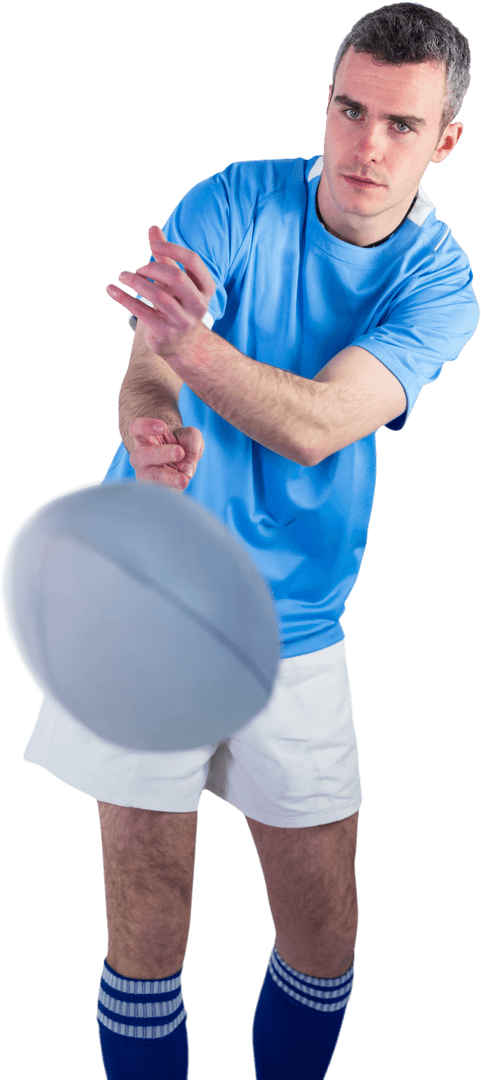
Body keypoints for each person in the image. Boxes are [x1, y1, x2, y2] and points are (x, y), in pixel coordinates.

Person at [22, 4, 479, 1079]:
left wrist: (191, 348)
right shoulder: (231, 197)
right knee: (147, 910)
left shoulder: (440, 285)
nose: (365, 145)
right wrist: (151, 410)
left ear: (443, 142)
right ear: (327, 103)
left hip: (296, 619)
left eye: (400, 126)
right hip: (143, 586)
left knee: (322, 932)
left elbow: (318, 424)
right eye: (348, 109)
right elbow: (153, 366)